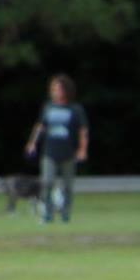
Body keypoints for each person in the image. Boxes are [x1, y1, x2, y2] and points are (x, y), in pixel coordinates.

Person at [23, 75, 88, 225]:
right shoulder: (48, 107)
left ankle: (65, 214)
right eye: (52, 89)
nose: (54, 91)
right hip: (50, 152)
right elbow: (40, 126)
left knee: (68, 185)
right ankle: (48, 213)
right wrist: (32, 142)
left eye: (57, 88)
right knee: (47, 182)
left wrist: (82, 149)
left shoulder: (75, 109)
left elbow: (83, 130)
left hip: (68, 152)